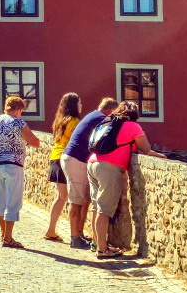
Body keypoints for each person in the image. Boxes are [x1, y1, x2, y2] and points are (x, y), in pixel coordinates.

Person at [88, 100, 154, 258]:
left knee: (97, 207)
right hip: (109, 167)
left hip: (92, 163)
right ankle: (102, 250)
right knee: (104, 210)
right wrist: (161, 156)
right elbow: (146, 149)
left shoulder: (108, 121)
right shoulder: (132, 126)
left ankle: (96, 243)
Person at [0, 94, 42, 248]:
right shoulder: (18, 122)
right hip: (13, 165)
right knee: (13, 202)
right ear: (18, 110)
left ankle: (4, 234)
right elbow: (34, 141)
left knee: (0, 201)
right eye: (21, 111)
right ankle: (8, 238)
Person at [59, 96, 114, 250]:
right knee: (75, 200)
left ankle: (79, 234)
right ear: (110, 111)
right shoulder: (102, 119)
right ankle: (75, 238)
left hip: (73, 158)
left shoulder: (93, 115)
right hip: (76, 159)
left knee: (82, 199)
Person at [41, 93, 83, 243]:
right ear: (74, 105)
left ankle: (51, 230)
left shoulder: (59, 121)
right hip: (64, 159)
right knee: (69, 197)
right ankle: (76, 232)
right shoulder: (75, 122)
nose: (81, 105)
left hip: (55, 157)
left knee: (61, 197)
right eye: (79, 103)